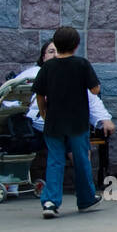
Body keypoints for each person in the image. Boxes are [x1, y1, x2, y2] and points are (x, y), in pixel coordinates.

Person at [32, 26, 103, 219]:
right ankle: (86, 198)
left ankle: (50, 202)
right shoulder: (82, 64)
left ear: (56, 44)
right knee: (81, 159)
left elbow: (39, 94)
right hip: (77, 121)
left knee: (55, 161)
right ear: (76, 45)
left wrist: (43, 112)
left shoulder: (48, 67)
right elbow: (95, 89)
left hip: (54, 121)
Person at [14, 39, 115, 150]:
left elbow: (91, 100)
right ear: (44, 57)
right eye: (51, 51)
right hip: (38, 127)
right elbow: (10, 98)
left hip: (68, 126)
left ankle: (82, 165)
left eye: (59, 51)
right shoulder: (32, 74)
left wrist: (104, 119)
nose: (56, 55)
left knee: (78, 142)